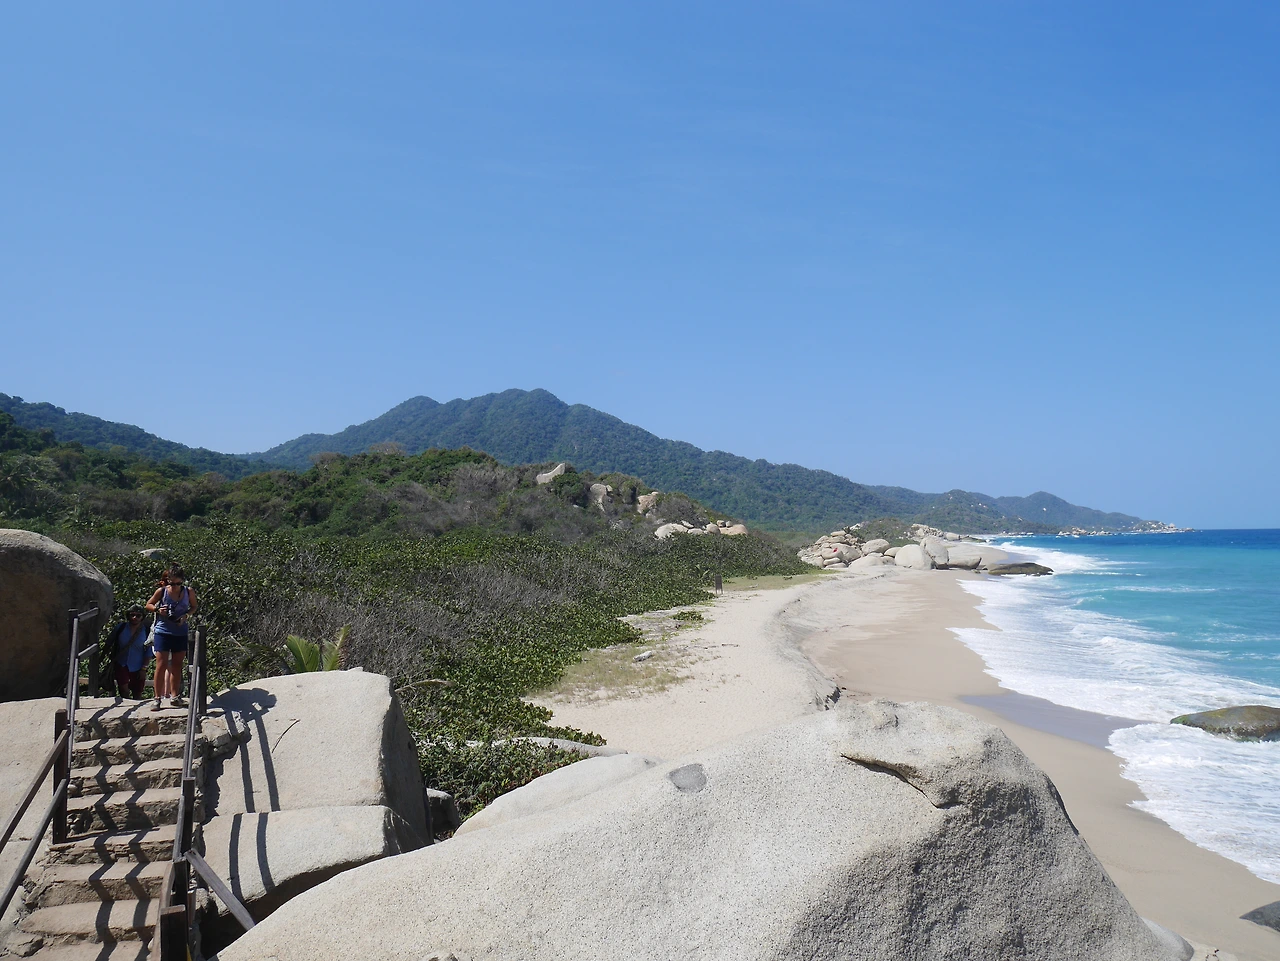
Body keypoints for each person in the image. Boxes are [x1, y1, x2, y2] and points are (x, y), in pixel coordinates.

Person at [146, 564, 198, 710]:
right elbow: (148, 604)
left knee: (177, 665)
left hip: (180, 631)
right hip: (163, 631)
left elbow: (194, 606)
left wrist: (186, 615)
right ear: (167, 580)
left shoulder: (188, 592)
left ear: (182, 581)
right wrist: (158, 609)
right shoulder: (162, 591)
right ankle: (157, 698)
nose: (175, 587)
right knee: (161, 664)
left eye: (178, 583)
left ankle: (175, 697)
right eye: (172, 583)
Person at [104, 604, 153, 699]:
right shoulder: (120, 628)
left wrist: (144, 669)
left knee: (137, 693)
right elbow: (109, 643)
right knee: (123, 690)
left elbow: (148, 651)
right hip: (121, 664)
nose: (134, 618)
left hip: (139, 666)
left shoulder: (146, 631)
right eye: (132, 615)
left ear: (142, 617)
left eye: (138, 615)